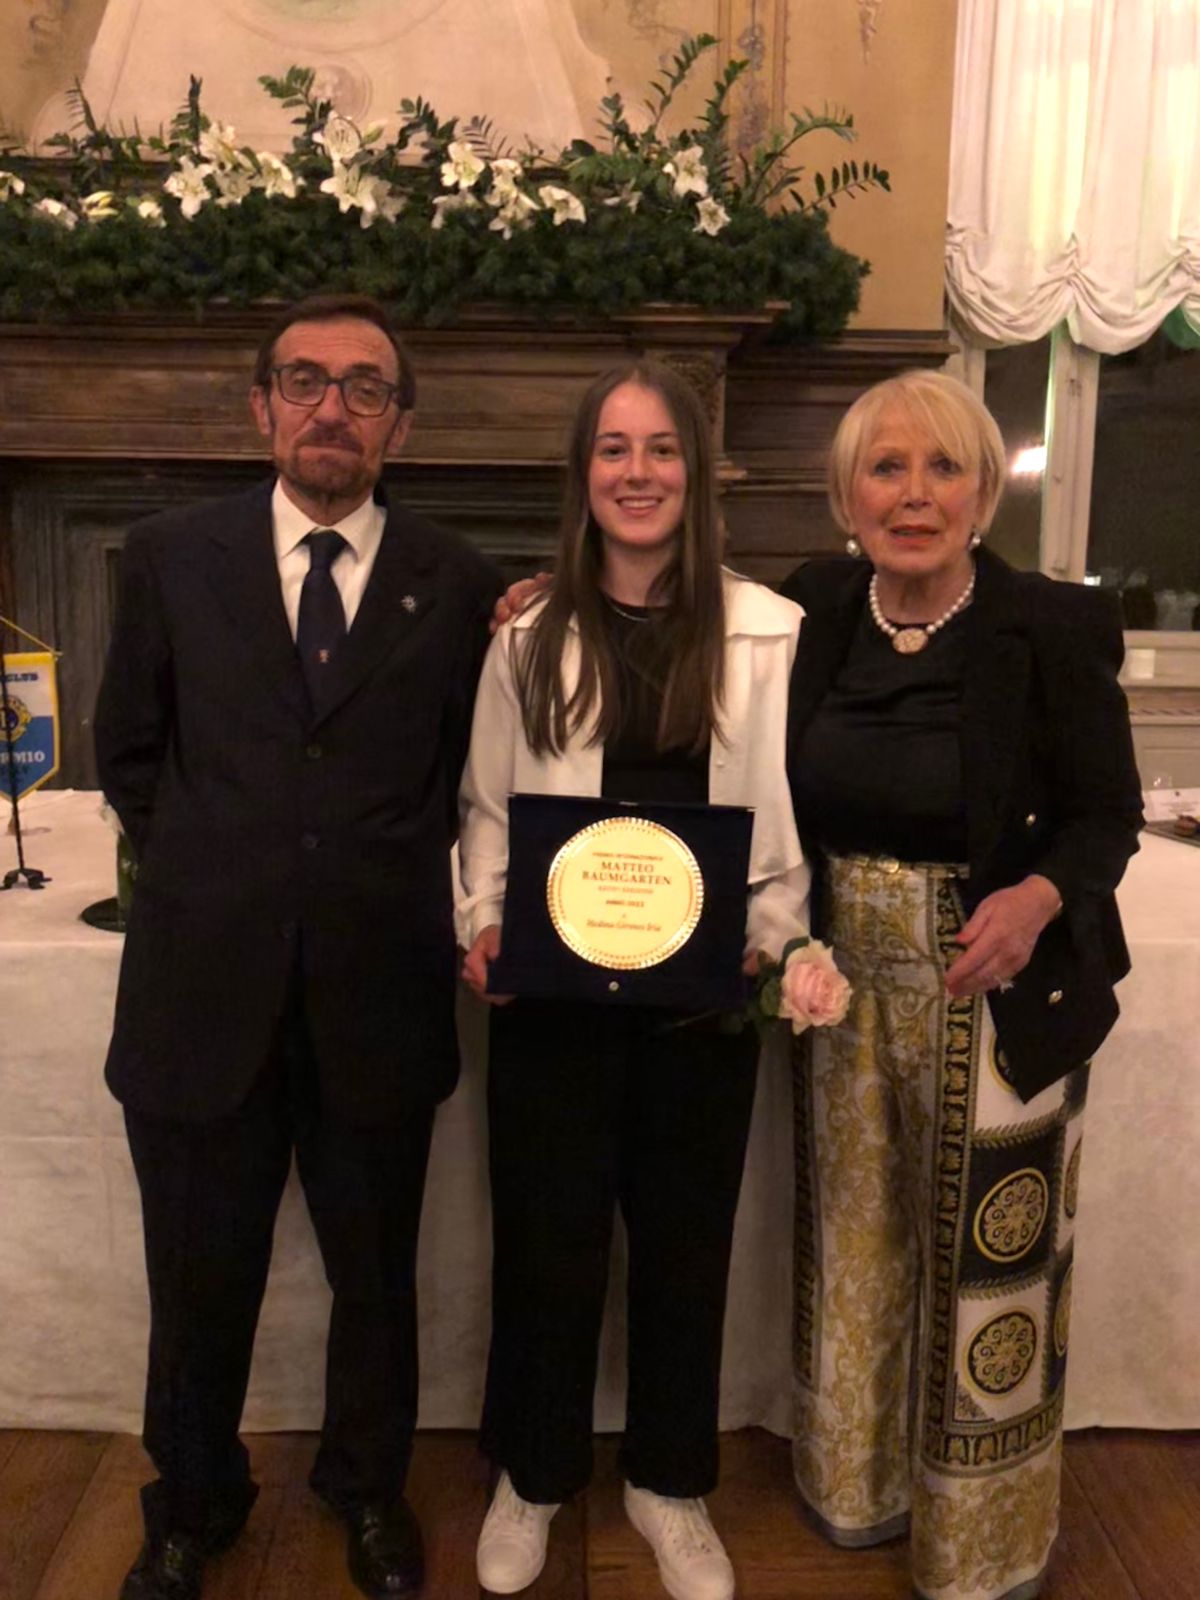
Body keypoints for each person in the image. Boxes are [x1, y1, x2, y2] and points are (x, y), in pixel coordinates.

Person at [94, 293, 500, 1600]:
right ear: (261, 406)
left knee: (375, 1277)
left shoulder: (460, 583)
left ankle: (367, 1488)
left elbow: (468, 775)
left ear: (400, 424)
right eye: (306, 380)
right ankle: (192, 1500)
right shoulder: (167, 557)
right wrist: (229, 875)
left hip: (379, 993)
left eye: (365, 387)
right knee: (195, 1278)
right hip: (201, 992)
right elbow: (130, 754)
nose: (334, 407)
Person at [781, 368, 1143, 1600]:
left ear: (986, 492)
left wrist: (1038, 898)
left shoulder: (1051, 625)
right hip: (838, 989)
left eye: (944, 468)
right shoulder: (813, 606)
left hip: (997, 985)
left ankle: (980, 1546)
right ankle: (857, 1490)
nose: (915, 493)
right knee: (854, 1244)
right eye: (886, 467)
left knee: (991, 1264)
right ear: (847, 495)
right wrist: (533, 600)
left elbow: (1106, 815)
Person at [456, 359, 809, 1600]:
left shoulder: (771, 632)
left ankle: (670, 1480)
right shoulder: (527, 637)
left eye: (662, 449)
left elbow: (788, 819)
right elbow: (487, 808)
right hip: (554, 997)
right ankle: (536, 1471)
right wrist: (485, 923)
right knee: (545, 1241)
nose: (639, 471)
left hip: (707, 996)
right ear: (584, 474)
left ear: (697, 475)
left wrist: (770, 933)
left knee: (685, 1246)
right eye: (614, 448)